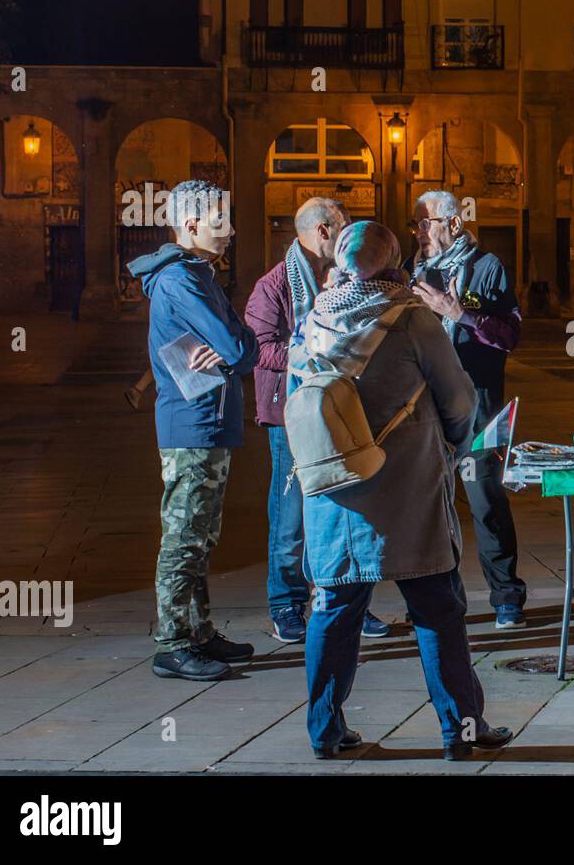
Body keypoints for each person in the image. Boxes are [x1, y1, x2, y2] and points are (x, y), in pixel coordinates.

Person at [299, 220, 511, 760]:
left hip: (337, 488)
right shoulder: (413, 318)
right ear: (393, 261)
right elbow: (460, 401)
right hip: (408, 490)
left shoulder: (317, 317)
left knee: (334, 610)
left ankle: (324, 733)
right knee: (438, 609)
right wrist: (457, 445)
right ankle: (460, 731)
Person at [127, 180, 259, 681]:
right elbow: (239, 346)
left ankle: (199, 630)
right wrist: (233, 351)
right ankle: (173, 643)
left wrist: (232, 351)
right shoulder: (181, 280)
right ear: (191, 225)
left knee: (201, 535)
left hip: (209, 418)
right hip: (193, 422)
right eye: (221, 221)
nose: (231, 231)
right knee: (184, 534)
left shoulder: (198, 274)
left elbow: (234, 346)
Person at [245, 196, 390, 643]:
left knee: (345, 510)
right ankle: (285, 605)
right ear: (323, 231)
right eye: (343, 226)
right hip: (291, 414)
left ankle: (346, 601)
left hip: (341, 408)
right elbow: (259, 347)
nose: (348, 236)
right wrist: (313, 348)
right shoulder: (274, 286)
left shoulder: (345, 279)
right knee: (290, 516)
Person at [405, 190, 529, 630]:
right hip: (425, 407)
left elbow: (510, 335)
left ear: (454, 224)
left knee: (485, 501)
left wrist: (458, 313)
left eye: (427, 222)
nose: (420, 231)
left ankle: (506, 597)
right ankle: (435, 600)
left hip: (478, 408)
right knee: (426, 507)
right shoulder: (412, 272)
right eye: (416, 224)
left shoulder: (486, 267)